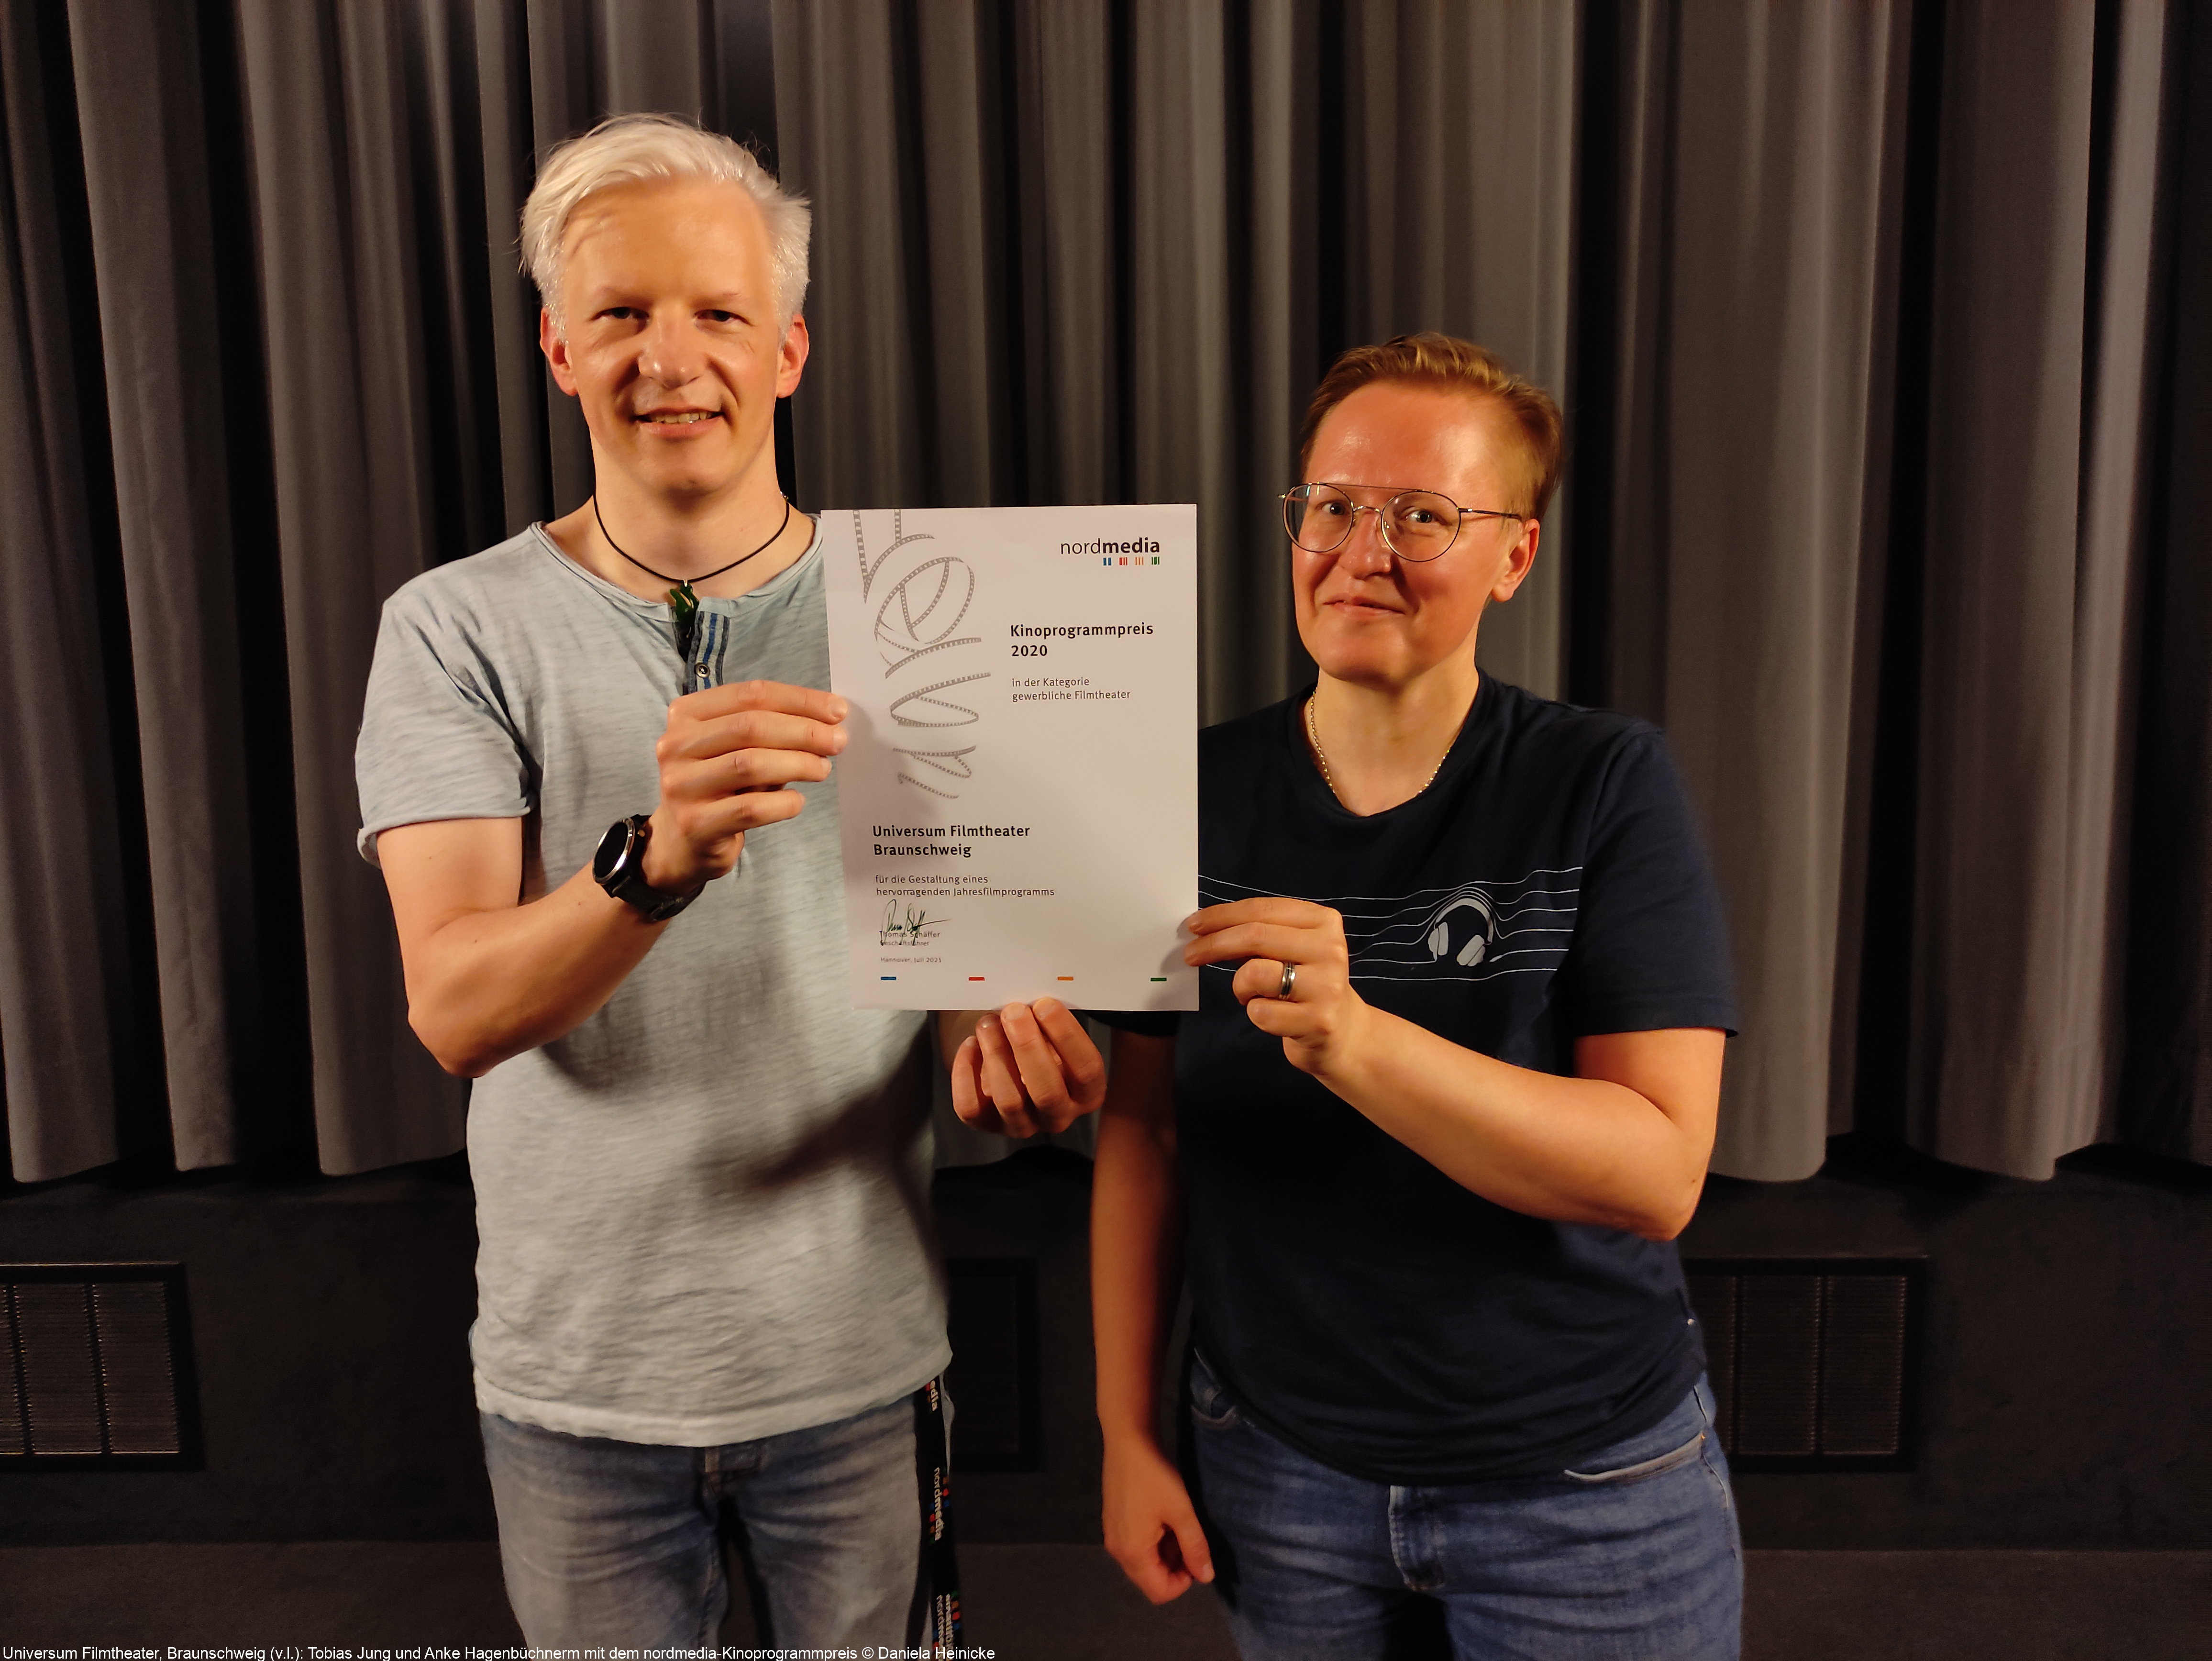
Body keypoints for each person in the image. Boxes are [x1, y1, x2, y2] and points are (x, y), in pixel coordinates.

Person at [355, 113, 1097, 1647]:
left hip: (861, 1357)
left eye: (718, 313)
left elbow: (959, 987)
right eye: (621, 314)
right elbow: (456, 1010)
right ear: (561, 351)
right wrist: (653, 864)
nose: (670, 356)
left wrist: (1007, 1053)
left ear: (790, 351)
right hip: (579, 1382)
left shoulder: (932, 614)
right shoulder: (452, 629)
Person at [1089, 333, 1742, 1659]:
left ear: (1514, 554)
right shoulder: (1181, 791)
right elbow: (1144, 1135)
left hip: (1584, 1487)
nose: (1360, 549)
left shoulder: (1600, 781)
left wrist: (1356, 1042)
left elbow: (1656, 1169)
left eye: (1423, 515)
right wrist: (1123, 1433)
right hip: (1277, 1472)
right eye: (1331, 505)